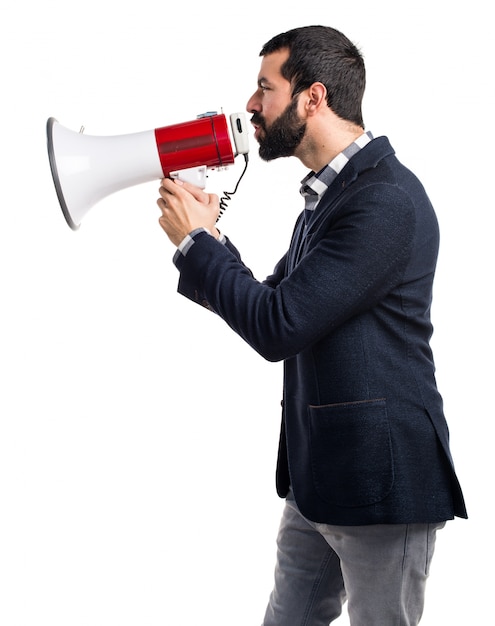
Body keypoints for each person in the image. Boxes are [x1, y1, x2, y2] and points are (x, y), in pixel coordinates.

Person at [155, 25, 467, 626]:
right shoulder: (332, 195)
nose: (250, 106)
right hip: (320, 473)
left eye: (263, 88)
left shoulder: (384, 200)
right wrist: (209, 238)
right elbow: (276, 299)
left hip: (381, 480)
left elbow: (277, 326)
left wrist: (196, 244)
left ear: (313, 97)